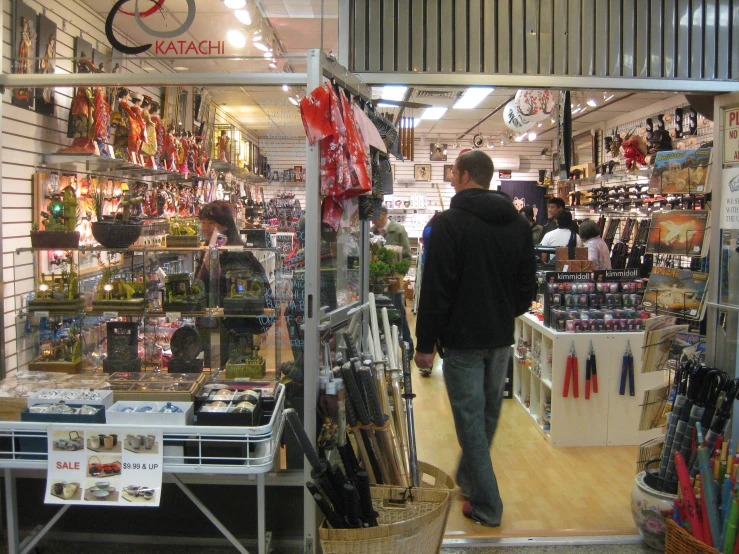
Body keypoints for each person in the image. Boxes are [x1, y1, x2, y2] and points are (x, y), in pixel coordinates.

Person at [414, 150, 536, 528]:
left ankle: (487, 505)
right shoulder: (518, 225)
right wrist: (501, 312)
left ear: (466, 175)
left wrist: (425, 343)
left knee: (471, 423)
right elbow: (526, 288)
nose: (450, 178)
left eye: (453, 172)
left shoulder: (449, 224)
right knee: (485, 418)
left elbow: (436, 288)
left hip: (463, 339)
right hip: (500, 336)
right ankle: (468, 480)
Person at [372, 205, 414, 355]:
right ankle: (382, 351)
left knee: (398, 315)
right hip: (376, 283)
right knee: (377, 316)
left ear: (384, 214)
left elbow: (408, 256)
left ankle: (407, 348)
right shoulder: (371, 232)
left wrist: (398, 275)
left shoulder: (398, 230)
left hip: (394, 284)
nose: (373, 220)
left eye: (375, 216)